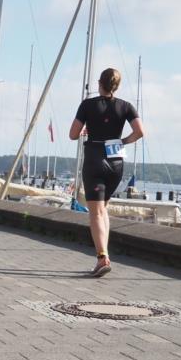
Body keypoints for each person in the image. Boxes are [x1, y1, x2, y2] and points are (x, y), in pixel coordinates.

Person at [68, 68, 144, 277]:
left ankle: (102, 257)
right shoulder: (126, 106)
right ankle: (105, 254)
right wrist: (122, 141)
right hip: (116, 162)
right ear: (116, 86)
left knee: (96, 212)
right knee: (104, 210)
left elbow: (73, 134)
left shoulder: (88, 105)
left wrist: (87, 130)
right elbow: (140, 131)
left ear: (99, 83)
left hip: (95, 159)